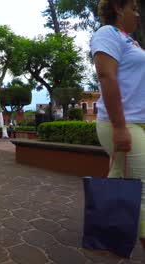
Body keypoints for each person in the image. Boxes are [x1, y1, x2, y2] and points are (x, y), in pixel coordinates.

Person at [91, 0, 145, 249]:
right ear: (118, 8)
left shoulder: (131, 41)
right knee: (142, 191)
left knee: (122, 183)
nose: (137, 13)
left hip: (137, 121)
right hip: (122, 123)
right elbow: (106, 75)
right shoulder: (107, 33)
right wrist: (120, 128)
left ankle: (110, 238)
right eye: (133, 7)